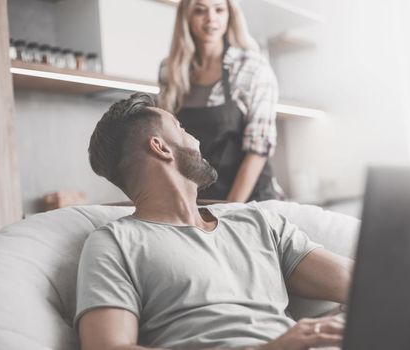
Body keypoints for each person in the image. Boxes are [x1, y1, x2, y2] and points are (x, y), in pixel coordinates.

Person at [74, 93, 353, 350]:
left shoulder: (257, 222)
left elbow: (360, 283)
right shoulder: (115, 243)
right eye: (181, 128)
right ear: (160, 147)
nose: (195, 139)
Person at [158, 0, 283, 202]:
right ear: (186, 17)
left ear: (230, 15)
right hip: (200, 204)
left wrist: (228, 212)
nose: (211, 18)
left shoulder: (252, 67)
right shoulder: (169, 71)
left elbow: (257, 151)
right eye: (200, 10)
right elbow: (169, 146)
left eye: (219, 9)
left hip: (253, 203)